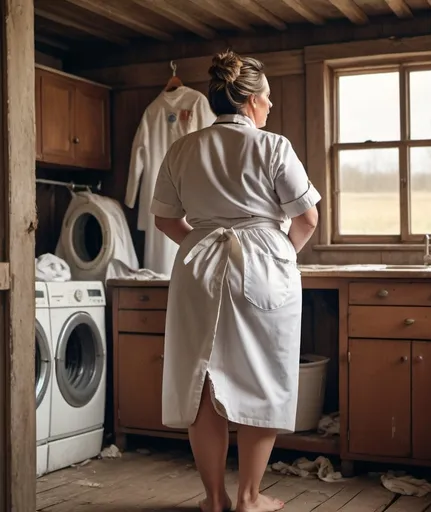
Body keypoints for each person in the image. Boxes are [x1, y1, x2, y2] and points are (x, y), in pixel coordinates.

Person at [150, 50, 321, 512]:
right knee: (262, 378)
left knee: (201, 381)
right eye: (267, 99)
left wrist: (201, 244)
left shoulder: (183, 147)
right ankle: (250, 497)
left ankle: (214, 498)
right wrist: (278, 256)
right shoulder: (273, 146)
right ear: (249, 101)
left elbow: (165, 219)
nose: (271, 108)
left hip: (197, 265)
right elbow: (307, 217)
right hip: (263, 265)